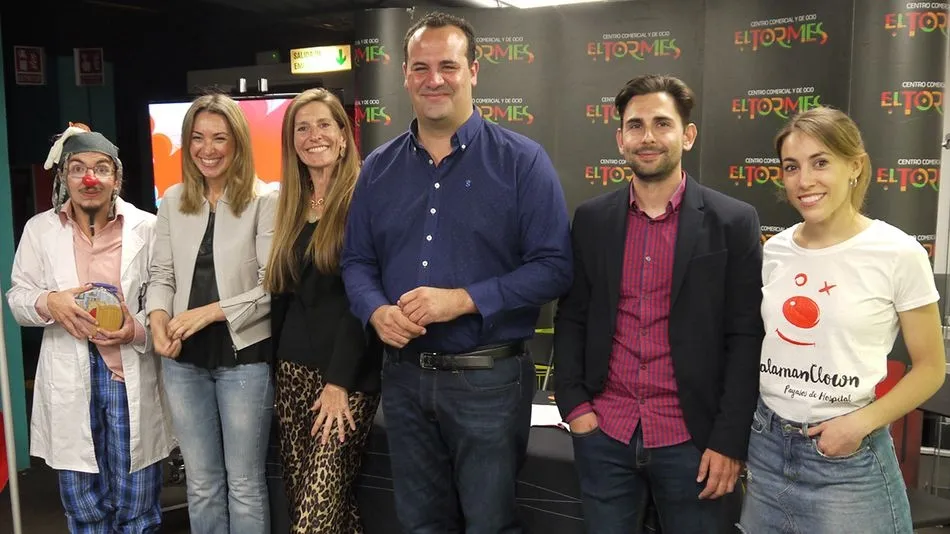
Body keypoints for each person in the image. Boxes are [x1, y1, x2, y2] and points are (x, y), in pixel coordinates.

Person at [340, 11, 573, 533]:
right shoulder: (377, 167)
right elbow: (355, 261)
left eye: (448, 65)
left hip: (487, 382)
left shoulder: (521, 162)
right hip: (402, 379)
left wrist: (463, 299)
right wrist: (376, 310)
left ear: (474, 71)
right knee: (421, 524)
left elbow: (555, 268)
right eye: (421, 68)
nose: (434, 79)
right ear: (404, 75)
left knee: (490, 525)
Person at [553, 74, 765, 534]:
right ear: (620, 138)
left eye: (662, 124)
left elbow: (746, 337)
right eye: (635, 126)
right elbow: (572, 317)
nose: (648, 137)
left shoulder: (734, 221)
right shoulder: (591, 220)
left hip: (694, 441)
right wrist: (575, 406)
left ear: (687, 136)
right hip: (606, 432)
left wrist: (729, 441)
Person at [737, 106, 947, 533]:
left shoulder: (898, 253)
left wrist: (860, 424)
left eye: (820, 163)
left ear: (855, 166)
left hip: (847, 460)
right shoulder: (773, 251)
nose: (804, 181)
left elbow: (931, 368)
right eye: (791, 167)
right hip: (767, 447)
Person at [7, 123, 174, 533]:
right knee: (83, 505)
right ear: (63, 176)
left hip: (127, 371)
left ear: (116, 177)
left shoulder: (147, 228)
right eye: (78, 167)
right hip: (71, 374)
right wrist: (51, 301)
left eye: (101, 168)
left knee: (137, 503)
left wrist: (134, 330)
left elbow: (164, 299)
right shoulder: (40, 230)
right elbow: (17, 298)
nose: (89, 178)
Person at [146, 93, 278, 534]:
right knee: (201, 484)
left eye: (220, 137)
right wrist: (158, 318)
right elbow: (161, 273)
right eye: (198, 138)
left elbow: (272, 286)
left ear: (238, 142)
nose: (208, 148)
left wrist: (210, 312)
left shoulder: (266, 199)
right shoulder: (173, 199)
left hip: (245, 358)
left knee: (244, 482)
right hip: (184, 362)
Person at [264, 88, 383, 533]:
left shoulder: (365, 198)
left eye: (323, 124)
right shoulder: (291, 205)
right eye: (302, 127)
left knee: (315, 517)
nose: (314, 135)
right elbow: (285, 297)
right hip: (292, 374)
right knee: (326, 511)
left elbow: (363, 298)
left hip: (345, 379)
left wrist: (338, 382)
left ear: (343, 133)